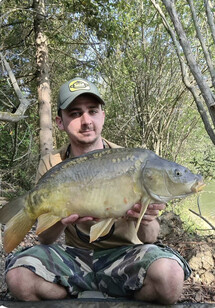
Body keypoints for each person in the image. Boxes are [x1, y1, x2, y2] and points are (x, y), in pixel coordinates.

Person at [5, 77, 191, 303]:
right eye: (75, 113)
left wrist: (146, 218)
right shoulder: (52, 164)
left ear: (102, 115)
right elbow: (45, 238)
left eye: (92, 111)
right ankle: (79, 297)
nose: (86, 121)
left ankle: (108, 296)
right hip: (74, 258)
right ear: (60, 122)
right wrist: (61, 220)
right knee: (18, 279)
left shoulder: (134, 162)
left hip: (124, 255)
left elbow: (149, 238)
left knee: (170, 277)